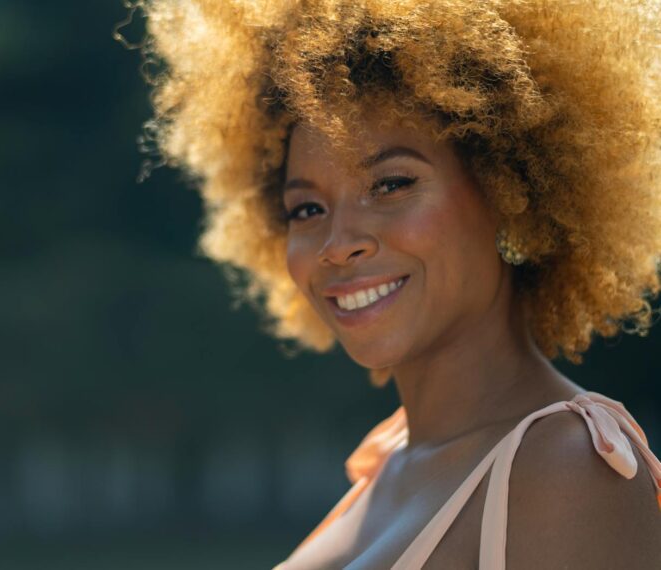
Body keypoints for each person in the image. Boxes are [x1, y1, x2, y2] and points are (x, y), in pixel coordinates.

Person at [129, 0, 661, 567]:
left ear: (511, 194)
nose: (338, 243)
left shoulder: (567, 467)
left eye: (390, 184)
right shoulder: (387, 463)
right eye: (307, 209)